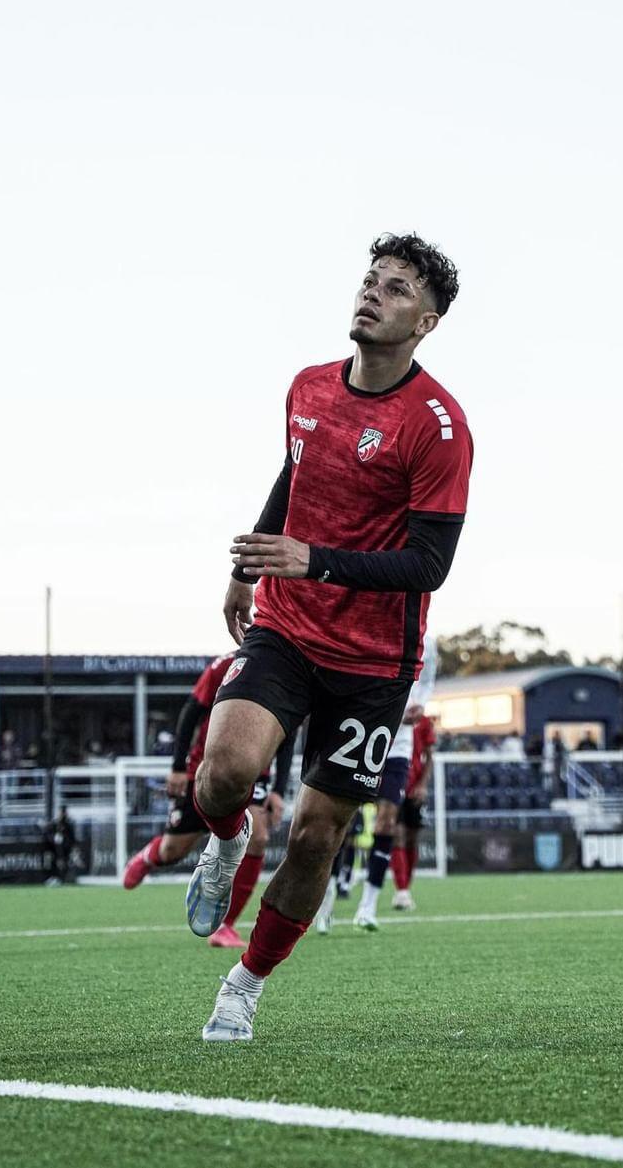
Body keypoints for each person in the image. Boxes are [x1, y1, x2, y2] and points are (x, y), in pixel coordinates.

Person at [186, 232, 472, 1042]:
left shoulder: (439, 428)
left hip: (375, 664)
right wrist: (253, 559)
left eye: (396, 287)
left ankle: (244, 985)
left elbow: (430, 564)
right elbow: (296, 471)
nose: (373, 293)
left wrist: (310, 558)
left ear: (427, 320)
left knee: (317, 835)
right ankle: (228, 838)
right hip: (286, 626)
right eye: (370, 279)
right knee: (223, 773)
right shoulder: (307, 386)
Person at [123, 654, 291, 951]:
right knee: (175, 849)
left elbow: (288, 735)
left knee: (258, 837)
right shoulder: (227, 665)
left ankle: (225, 925)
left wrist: (278, 789)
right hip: (206, 769)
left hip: (255, 772)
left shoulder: (290, 671)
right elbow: (191, 711)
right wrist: (177, 766)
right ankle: (151, 855)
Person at [348, 633, 437, 930]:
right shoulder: (366, 631)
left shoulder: (424, 637)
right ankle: (328, 898)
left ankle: (369, 905)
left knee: (389, 824)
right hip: (362, 739)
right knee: (339, 823)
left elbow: (427, 676)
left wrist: (419, 705)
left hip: (397, 748)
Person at [390, 707, 438, 911]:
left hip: (414, 789)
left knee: (412, 838)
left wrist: (423, 785)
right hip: (393, 784)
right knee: (397, 835)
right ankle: (401, 890)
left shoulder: (424, 722)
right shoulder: (391, 714)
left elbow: (429, 757)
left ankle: (405, 888)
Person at [44, 806, 76, 885]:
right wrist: (54, 838)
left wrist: (65, 841)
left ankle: (63, 878)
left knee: (64, 862)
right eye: (61, 812)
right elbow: (47, 836)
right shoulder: (53, 824)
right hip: (53, 849)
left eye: (64, 812)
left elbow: (72, 838)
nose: (62, 814)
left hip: (65, 850)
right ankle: (53, 877)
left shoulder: (68, 825)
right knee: (52, 860)